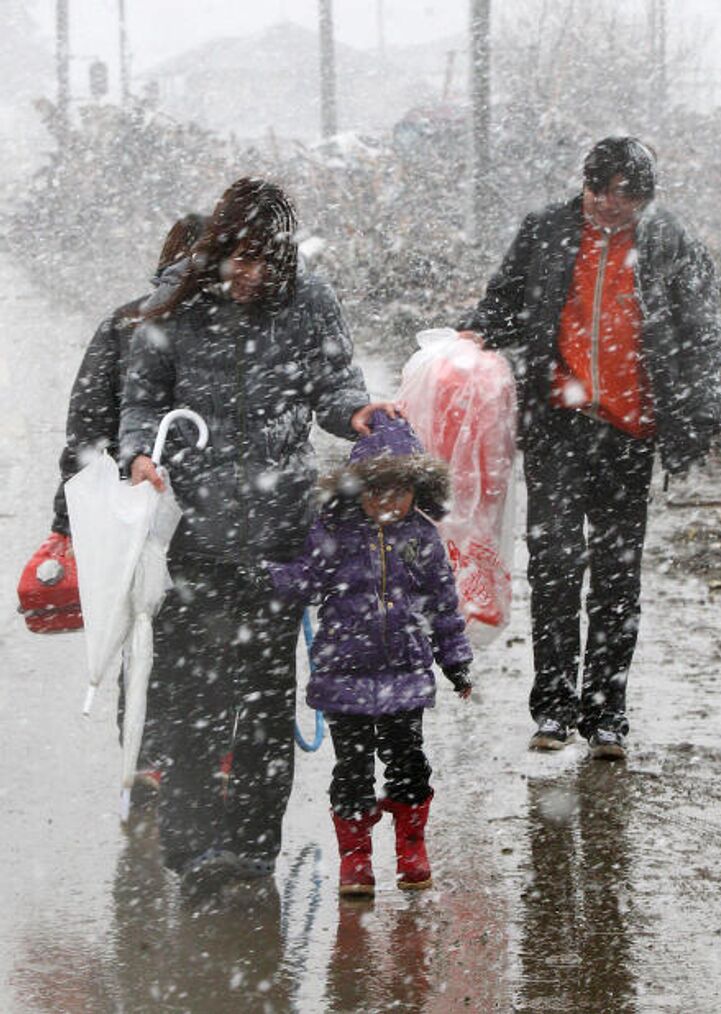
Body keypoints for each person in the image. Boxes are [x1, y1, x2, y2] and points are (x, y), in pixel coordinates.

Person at [119, 177, 397, 895]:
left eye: (266, 262)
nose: (252, 275)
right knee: (191, 702)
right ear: (218, 249)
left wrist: (359, 414)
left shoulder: (310, 300)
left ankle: (249, 853)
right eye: (241, 258)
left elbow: (335, 386)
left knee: (268, 703)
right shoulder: (173, 300)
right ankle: (192, 852)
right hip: (191, 536)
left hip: (280, 539)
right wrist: (139, 453)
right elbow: (141, 400)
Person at [459, 137, 721, 760]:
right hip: (559, 424)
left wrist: (701, 409)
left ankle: (608, 713)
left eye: (626, 196)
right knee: (552, 564)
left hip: (630, 433)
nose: (610, 205)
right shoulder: (547, 230)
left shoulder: (668, 243)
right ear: (586, 185)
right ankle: (553, 707)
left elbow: (702, 331)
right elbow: (505, 301)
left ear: (645, 198)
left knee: (615, 576)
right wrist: (476, 328)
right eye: (600, 190)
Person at [256, 411, 473, 895]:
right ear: (358, 490)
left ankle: (411, 846)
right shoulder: (334, 533)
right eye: (377, 491)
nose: (388, 502)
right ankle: (355, 857)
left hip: (405, 678)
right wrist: (265, 574)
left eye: (400, 490)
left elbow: (443, 605)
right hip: (344, 679)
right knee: (352, 770)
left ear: (417, 490)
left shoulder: (422, 539)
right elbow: (305, 578)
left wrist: (454, 659)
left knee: (408, 763)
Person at [49, 213, 208, 787]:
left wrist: (69, 519)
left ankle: (146, 758)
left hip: (140, 508)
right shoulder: (142, 325)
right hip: (187, 507)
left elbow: (87, 428)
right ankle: (183, 758)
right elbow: (90, 424)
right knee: (182, 629)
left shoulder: (126, 322)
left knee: (145, 625)